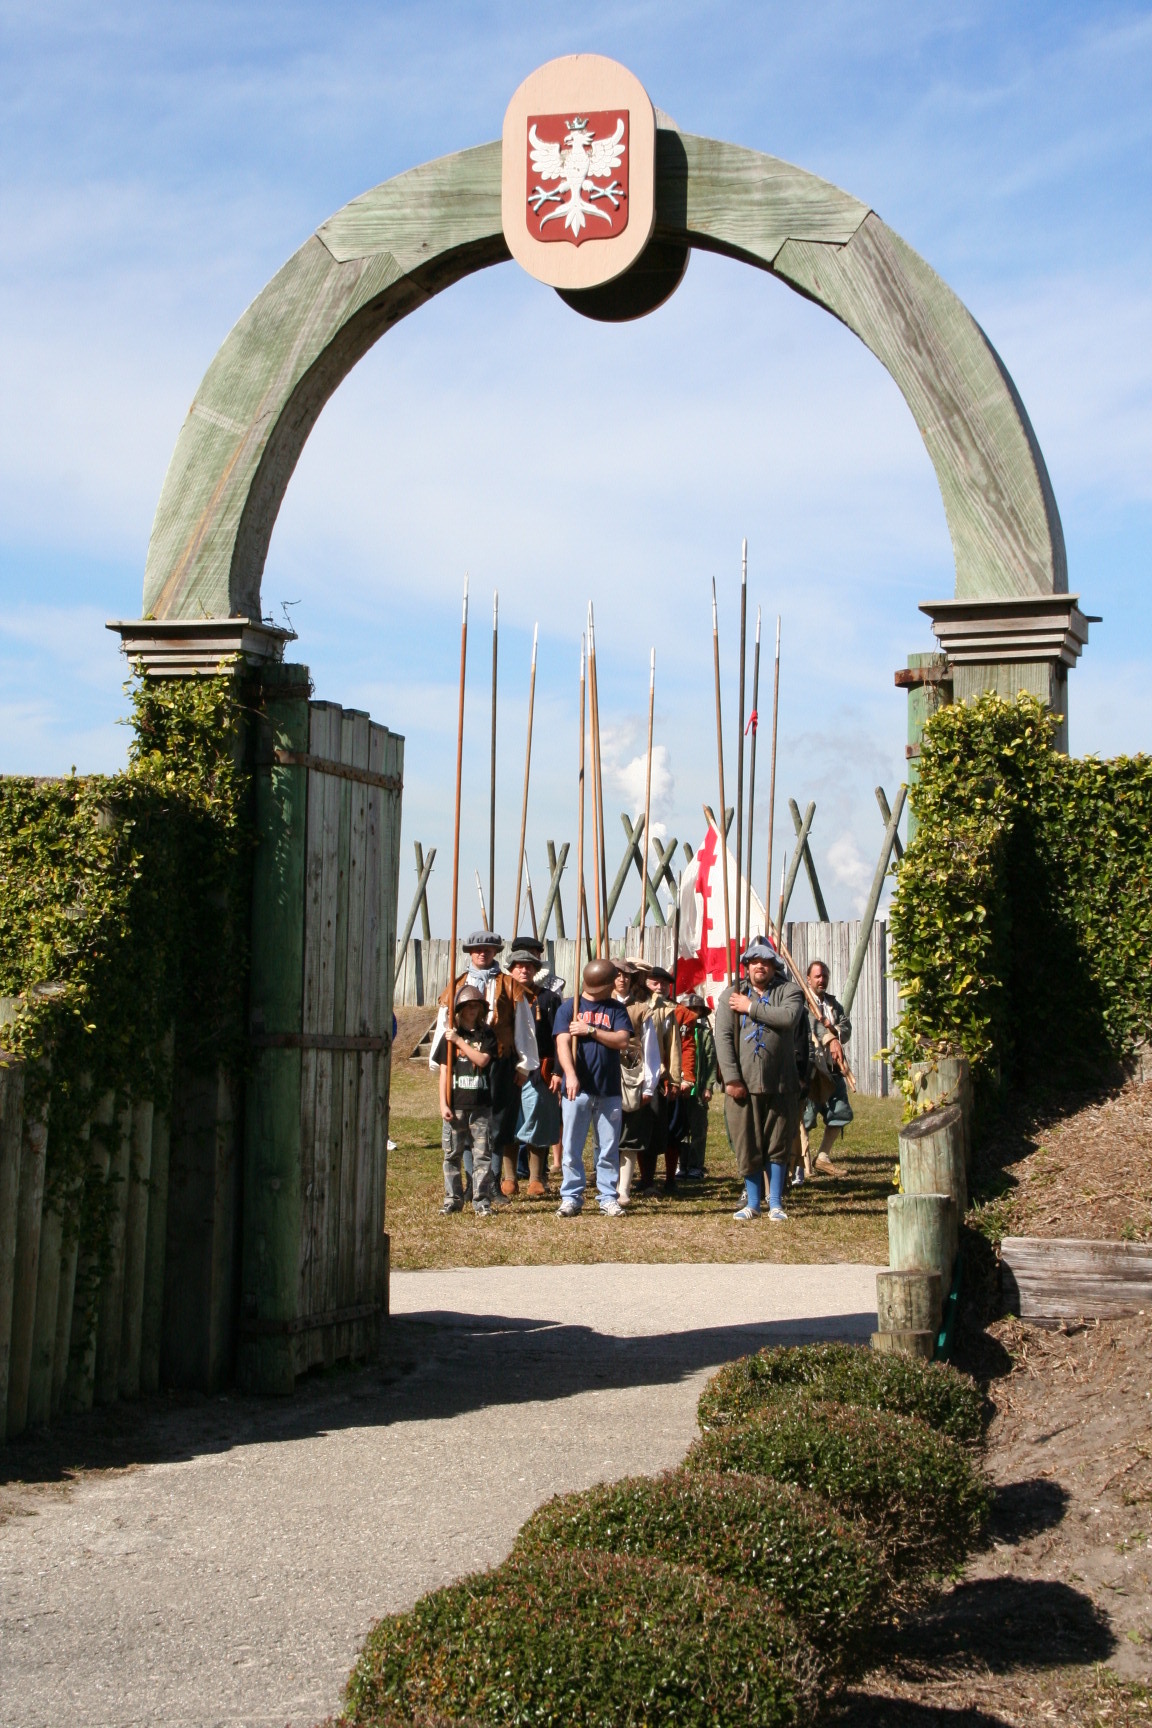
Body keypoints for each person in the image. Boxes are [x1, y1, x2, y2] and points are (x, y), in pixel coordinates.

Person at [715, 935, 808, 1222]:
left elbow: (788, 1018)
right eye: (755, 961)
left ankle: (776, 1202)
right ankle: (752, 1203)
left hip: (780, 1082)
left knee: (778, 1143)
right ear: (746, 965)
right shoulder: (731, 994)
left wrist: (751, 1008)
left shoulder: (790, 991)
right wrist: (731, 1078)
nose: (760, 967)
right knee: (748, 1143)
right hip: (743, 1084)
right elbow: (724, 1037)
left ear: (773, 966)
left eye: (766, 961)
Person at [430, 929, 515, 1202]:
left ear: (495, 953)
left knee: (494, 1126)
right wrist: (439, 1058)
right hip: (460, 1064)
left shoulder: (509, 983)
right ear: (469, 953)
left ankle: (490, 1184)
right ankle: (468, 1185)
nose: (482, 953)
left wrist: (526, 1063)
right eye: (477, 949)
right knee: (462, 1129)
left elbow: (522, 1024)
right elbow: (445, 1023)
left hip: (498, 1059)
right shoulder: (457, 985)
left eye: (488, 950)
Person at [553, 957, 632, 1217]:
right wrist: (570, 1075)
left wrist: (591, 1030)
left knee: (608, 1147)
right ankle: (571, 1196)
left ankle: (608, 1196)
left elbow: (622, 1040)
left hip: (608, 1089)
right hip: (578, 1089)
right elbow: (562, 1043)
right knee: (572, 1146)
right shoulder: (569, 1007)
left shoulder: (616, 1010)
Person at [436, 985, 505, 1216]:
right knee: (452, 1154)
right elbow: (444, 1072)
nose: (471, 1010)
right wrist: (443, 1104)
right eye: (467, 1006)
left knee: (482, 1154)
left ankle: (481, 1201)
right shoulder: (448, 1038)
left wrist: (458, 1041)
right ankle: (453, 1199)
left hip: (481, 1105)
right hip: (455, 1105)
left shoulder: (486, 1035)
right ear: (459, 1010)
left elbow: (482, 1060)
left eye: (476, 1005)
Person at [505, 942, 564, 1197]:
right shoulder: (503, 996)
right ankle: (509, 1179)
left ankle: (536, 1179)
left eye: (529, 967)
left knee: (538, 1122)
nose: (524, 971)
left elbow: (559, 1038)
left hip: (540, 1071)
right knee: (509, 1122)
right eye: (519, 967)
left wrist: (558, 1071)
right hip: (508, 1069)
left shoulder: (549, 999)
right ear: (511, 970)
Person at [796, 959, 853, 1181]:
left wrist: (834, 1030)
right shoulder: (802, 1002)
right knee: (806, 1118)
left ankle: (822, 1157)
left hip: (833, 1067)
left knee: (840, 1111)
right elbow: (809, 1024)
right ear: (808, 978)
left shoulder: (833, 1005)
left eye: (824, 976)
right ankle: (803, 1164)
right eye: (817, 976)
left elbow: (846, 1028)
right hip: (812, 1068)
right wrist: (824, 1031)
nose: (822, 980)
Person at [615, 961, 661, 1206]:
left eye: (626, 976)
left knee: (630, 1133)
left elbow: (651, 1049)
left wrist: (649, 1085)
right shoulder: (598, 1005)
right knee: (606, 1134)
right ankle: (607, 1185)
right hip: (603, 1075)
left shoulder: (641, 1009)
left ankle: (624, 1189)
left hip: (631, 1075)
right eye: (617, 975)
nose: (622, 980)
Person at [637, 965, 682, 1194]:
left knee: (653, 1129)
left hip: (655, 1077)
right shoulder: (631, 1003)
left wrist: (673, 1079)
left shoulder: (667, 1012)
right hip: (629, 1074)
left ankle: (648, 1179)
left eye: (664, 983)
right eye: (655, 982)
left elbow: (673, 1046)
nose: (660, 987)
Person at [671, 991, 716, 1180]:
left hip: (698, 1089)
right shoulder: (676, 1031)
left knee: (698, 1129)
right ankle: (682, 1164)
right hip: (679, 1087)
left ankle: (696, 1165)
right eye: (690, 1009)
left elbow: (711, 1060)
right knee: (681, 1129)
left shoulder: (705, 1034)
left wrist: (708, 1086)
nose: (694, 1012)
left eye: (697, 1009)